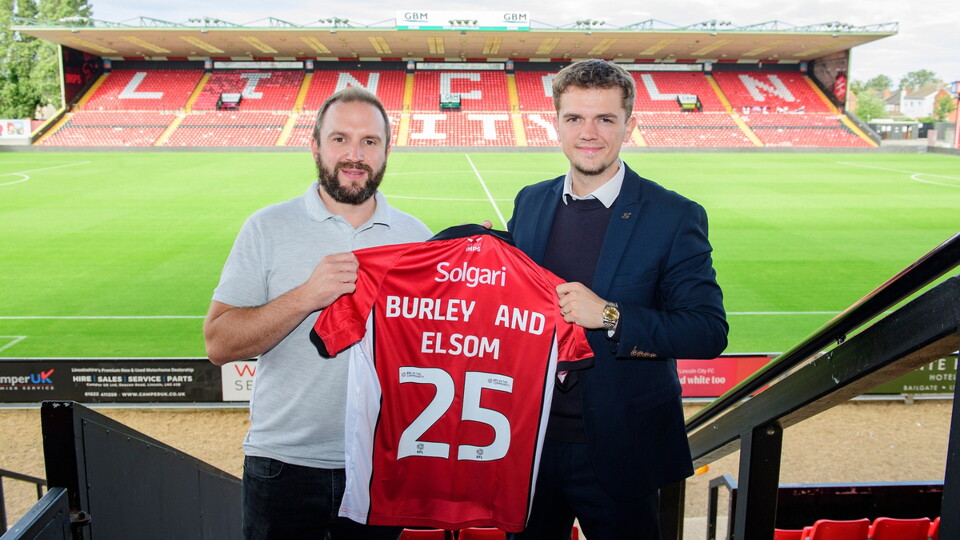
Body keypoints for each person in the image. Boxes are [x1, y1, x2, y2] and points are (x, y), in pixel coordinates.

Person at [505, 59, 728, 538]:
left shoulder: (673, 215)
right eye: (574, 118)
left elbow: (708, 331)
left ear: (630, 125)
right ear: (556, 123)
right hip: (529, 443)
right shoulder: (530, 201)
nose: (589, 133)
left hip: (622, 450)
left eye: (605, 119)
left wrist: (609, 315)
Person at [203, 87, 432, 540]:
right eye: (340, 139)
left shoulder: (417, 239)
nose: (355, 155)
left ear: (387, 152)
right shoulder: (266, 227)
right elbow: (219, 344)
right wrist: (306, 296)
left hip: (380, 463)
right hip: (282, 463)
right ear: (315, 147)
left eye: (369, 142)